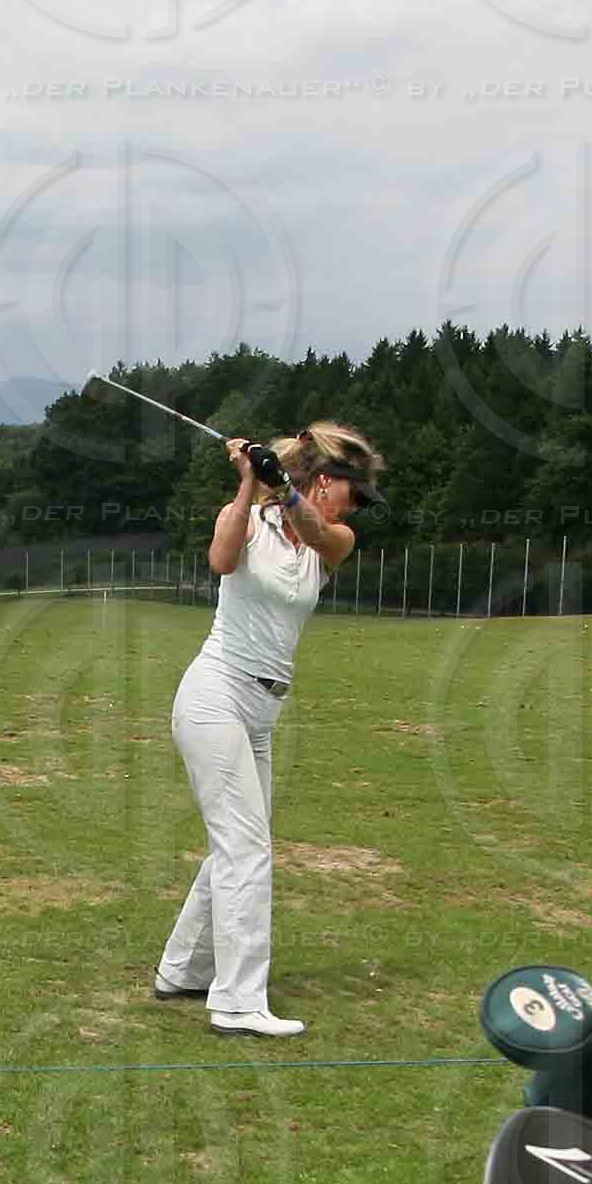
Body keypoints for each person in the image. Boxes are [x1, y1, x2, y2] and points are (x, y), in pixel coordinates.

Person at [151, 421, 382, 1037]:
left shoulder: (332, 538)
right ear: (327, 480)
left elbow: (316, 531)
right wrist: (251, 482)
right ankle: (236, 1003)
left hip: (262, 712)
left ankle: (182, 969)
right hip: (215, 694)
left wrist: (285, 490)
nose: (355, 507)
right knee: (245, 848)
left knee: (239, 842)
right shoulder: (250, 520)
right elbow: (221, 558)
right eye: (352, 492)